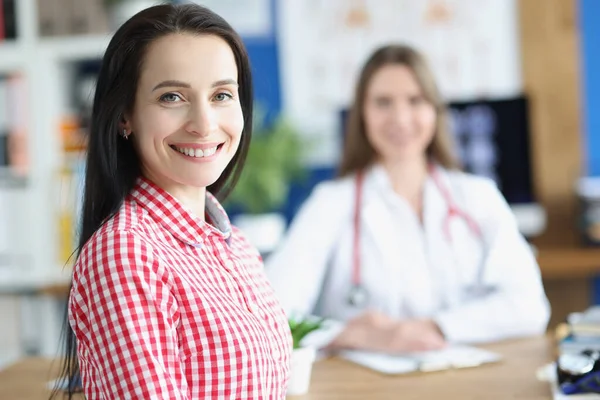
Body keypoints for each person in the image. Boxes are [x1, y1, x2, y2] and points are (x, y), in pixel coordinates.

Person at [52, 4, 291, 399]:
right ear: (125, 116)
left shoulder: (237, 249)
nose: (203, 123)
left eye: (221, 95)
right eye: (172, 96)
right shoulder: (126, 253)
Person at [266, 44, 550, 354]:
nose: (400, 118)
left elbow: (529, 306)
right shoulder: (330, 204)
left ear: (435, 110)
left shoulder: (477, 197)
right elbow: (272, 313)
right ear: (363, 114)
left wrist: (432, 327)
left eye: (415, 100)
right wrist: (353, 334)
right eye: (383, 102)